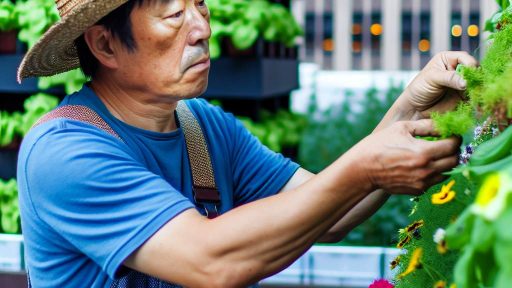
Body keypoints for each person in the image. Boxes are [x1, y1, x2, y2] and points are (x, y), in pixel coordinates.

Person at [16, 0, 477, 287]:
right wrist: (365, 166)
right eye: (174, 14)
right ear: (105, 45)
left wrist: (411, 109)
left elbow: (328, 212)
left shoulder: (202, 126)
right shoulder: (64, 152)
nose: (201, 29)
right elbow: (211, 262)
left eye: (200, 6)